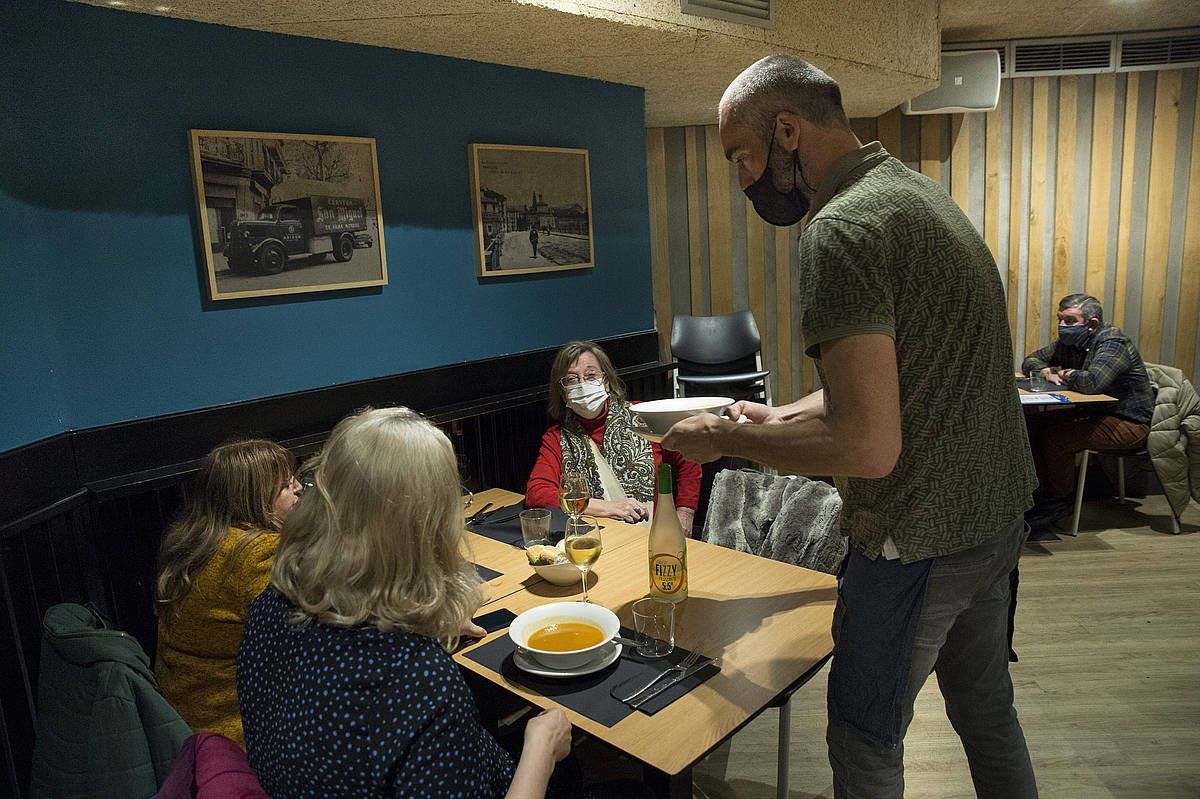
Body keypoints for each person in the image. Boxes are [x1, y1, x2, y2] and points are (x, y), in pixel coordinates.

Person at [662, 55, 1039, 797]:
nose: (740, 178)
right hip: (995, 522)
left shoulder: (840, 230)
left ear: (788, 130)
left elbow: (868, 444)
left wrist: (726, 437)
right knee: (988, 711)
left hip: (916, 537)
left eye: (741, 154)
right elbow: (901, 379)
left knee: (863, 742)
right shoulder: (921, 198)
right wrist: (783, 414)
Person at [237, 407, 573, 798]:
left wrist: (421, 628)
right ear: (424, 529)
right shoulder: (421, 683)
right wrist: (542, 749)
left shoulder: (267, 609)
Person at [155, 439, 301, 748]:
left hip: (185, 727)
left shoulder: (190, 543)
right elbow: (304, 641)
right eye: (287, 486)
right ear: (256, 499)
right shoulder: (256, 554)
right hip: (239, 738)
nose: (300, 488)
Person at [526, 341, 702, 535]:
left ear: (606, 381)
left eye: (590, 375)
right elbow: (537, 493)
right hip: (594, 539)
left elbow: (688, 457)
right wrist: (606, 507)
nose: (583, 384)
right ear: (563, 393)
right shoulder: (556, 438)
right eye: (572, 380)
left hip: (655, 534)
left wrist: (685, 511)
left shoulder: (643, 416)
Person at [1022, 293, 1153, 525]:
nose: (1062, 326)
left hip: (1128, 422)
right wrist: (1046, 371)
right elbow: (1031, 360)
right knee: (1032, 424)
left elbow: (1092, 383)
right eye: (1059, 319)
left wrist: (1066, 373)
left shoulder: (1112, 343)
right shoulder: (1070, 344)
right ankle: (1040, 493)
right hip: (1094, 414)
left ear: (1091, 324)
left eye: (1070, 321)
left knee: (1056, 437)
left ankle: (1060, 501)